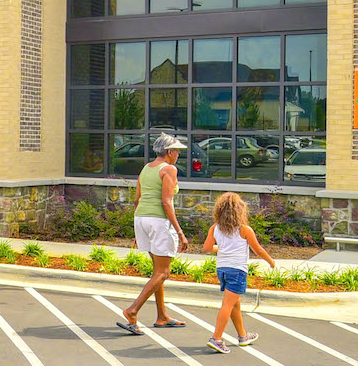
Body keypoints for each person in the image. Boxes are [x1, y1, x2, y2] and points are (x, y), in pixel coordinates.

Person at [118, 132, 188, 335]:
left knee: (158, 271)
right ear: (168, 152)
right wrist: (180, 232)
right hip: (159, 221)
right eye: (176, 151)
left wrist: (138, 230)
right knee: (163, 272)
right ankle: (132, 311)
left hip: (141, 219)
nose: (178, 155)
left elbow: (137, 199)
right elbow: (166, 202)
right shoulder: (169, 169)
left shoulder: (146, 168)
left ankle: (162, 316)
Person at [202, 192, 276, 354]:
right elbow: (258, 250)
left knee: (235, 303)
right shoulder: (244, 230)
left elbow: (207, 249)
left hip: (222, 270)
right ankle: (217, 338)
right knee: (228, 304)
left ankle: (243, 336)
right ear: (240, 211)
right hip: (237, 270)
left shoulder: (215, 228)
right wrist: (270, 261)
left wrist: (220, 248)